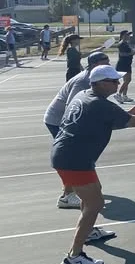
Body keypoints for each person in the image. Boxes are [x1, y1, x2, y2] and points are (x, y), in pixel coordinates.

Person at [53, 65, 135, 264]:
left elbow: (101, 121)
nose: (118, 83)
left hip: (67, 155)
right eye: (114, 81)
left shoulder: (84, 95)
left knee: (94, 196)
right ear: (101, 83)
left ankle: (89, 230)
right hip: (74, 160)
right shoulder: (102, 105)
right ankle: (74, 256)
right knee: (95, 204)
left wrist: (125, 114)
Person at [43, 52, 112, 209]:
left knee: (74, 157)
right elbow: (73, 106)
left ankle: (75, 189)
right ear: (94, 64)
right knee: (72, 157)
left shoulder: (96, 79)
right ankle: (67, 196)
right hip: (57, 120)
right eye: (104, 62)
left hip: (66, 120)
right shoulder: (83, 81)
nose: (108, 65)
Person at [114, 31, 135, 104]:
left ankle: (124, 96)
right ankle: (118, 94)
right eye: (127, 35)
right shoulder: (121, 44)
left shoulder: (126, 43)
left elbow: (130, 52)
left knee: (126, 81)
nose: (129, 36)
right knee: (128, 80)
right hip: (123, 64)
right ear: (123, 35)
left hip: (127, 63)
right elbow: (122, 54)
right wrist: (132, 53)